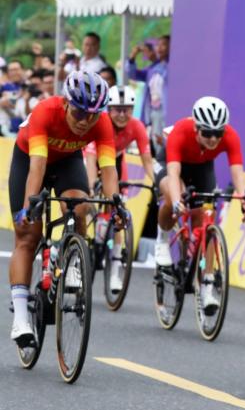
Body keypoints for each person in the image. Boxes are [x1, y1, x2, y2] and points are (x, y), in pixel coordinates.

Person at [8, 71, 122, 347]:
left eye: (93, 115)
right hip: (30, 159)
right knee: (27, 236)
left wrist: (116, 203)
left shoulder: (102, 123)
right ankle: (21, 318)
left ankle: (72, 255)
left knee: (80, 206)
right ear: (67, 104)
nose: (86, 121)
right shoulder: (45, 112)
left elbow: (108, 168)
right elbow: (37, 167)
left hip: (67, 161)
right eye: (80, 113)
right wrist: (29, 207)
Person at [154, 96, 245, 314]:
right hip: (171, 164)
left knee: (206, 218)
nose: (213, 138)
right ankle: (162, 240)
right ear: (196, 127)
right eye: (207, 133)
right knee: (173, 196)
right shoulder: (181, 131)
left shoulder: (230, 136)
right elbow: (173, 173)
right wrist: (177, 202)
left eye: (218, 133)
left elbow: (237, 172)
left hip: (202, 168)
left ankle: (208, 282)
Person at [82, 86, 155, 293]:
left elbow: (147, 161)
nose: (122, 115)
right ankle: (88, 236)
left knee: (118, 214)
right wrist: (89, 186)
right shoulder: (99, 122)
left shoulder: (137, 127)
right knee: (87, 200)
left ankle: (114, 271)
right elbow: (90, 156)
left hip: (115, 161)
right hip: (91, 159)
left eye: (127, 110)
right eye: (117, 110)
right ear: (109, 109)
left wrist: (157, 181)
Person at [126, 35, 169, 150]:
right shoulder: (153, 69)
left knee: (166, 142)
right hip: (154, 113)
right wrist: (132, 57)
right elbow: (132, 74)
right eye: (158, 45)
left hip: (166, 112)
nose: (159, 48)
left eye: (163, 44)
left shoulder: (171, 67)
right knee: (156, 142)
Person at [0, 60, 25, 136]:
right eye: (11, 70)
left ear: (22, 70)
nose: (14, 72)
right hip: (7, 130)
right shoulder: (4, 86)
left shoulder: (29, 85)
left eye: (16, 69)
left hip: (26, 129)